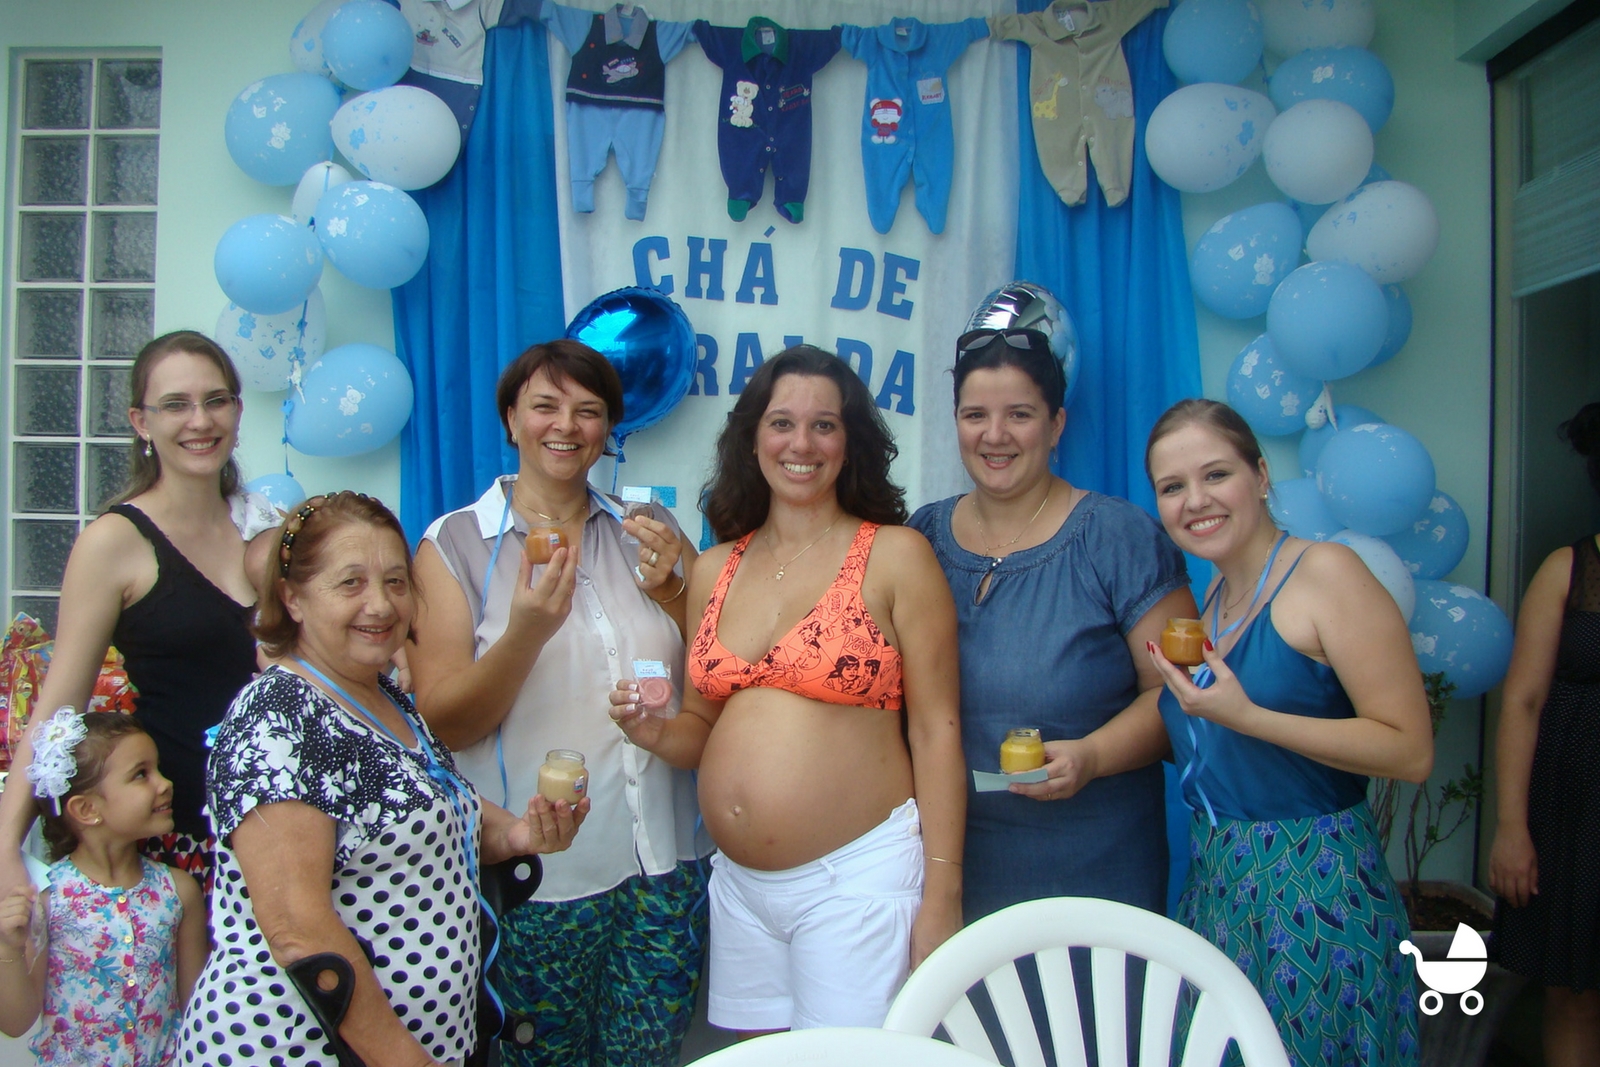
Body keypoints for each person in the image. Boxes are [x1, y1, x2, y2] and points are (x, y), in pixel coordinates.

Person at [609, 345, 967, 1034]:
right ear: (753, 438)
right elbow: (701, 729)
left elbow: (937, 731)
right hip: (741, 889)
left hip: (855, 880)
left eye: (824, 425)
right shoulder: (714, 568)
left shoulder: (896, 555)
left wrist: (943, 893)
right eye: (782, 423)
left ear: (849, 443)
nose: (801, 444)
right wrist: (653, 732)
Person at [174, 491, 585, 1066]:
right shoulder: (278, 715)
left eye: (395, 582)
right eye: (351, 583)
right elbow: (298, 929)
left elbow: (438, 814)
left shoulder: (383, 698)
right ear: (292, 599)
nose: (381, 604)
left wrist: (522, 834)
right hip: (298, 1049)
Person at [407, 340, 706, 1067]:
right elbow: (444, 721)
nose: (566, 425)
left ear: (608, 429)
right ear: (512, 419)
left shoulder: (649, 530)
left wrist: (675, 587)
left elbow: (712, 661)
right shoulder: (455, 544)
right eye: (544, 406)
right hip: (540, 878)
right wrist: (527, 631)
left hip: (665, 867)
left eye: (588, 410)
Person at [1144, 398, 1432, 1067]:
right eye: (1172, 486)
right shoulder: (1211, 604)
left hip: (1318, 895)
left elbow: (1411, 749)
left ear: (1262, 474)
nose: (1196, 500)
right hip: (1218, 894)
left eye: (1216, 474)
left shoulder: (1327, 572)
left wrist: (1252, 718)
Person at [908, 327, 1195, 921]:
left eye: (1019, 414)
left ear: (1057, 424)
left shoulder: (1116, 537)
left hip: (1091, 871)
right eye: (975, 415)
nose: (995, 435)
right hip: (945, 870)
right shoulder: (920, 539)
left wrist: (1093, 756)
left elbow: (1181, 696)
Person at [0, 330, 280, 900]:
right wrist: (5, 848)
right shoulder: (113, 542)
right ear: (141, 422)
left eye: (215, 400)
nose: (199, 420)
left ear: (236, 410)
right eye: (176, 404)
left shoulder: (266, 527)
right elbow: (59, 709)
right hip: (180, 848)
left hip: (284, 830)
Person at [1490, 400, 1600, 1067]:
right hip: (1575, 816)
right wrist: (1511, 827)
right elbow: (1523, 702)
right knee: (1573, 993)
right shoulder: (1569, 568)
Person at [0, 710, 206, 1064]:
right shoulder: (47, 897)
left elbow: (196, 1011)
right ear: (86, 809)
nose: (165, 783)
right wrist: (8, 949)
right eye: (141, 774)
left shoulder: (178, 891)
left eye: (158, 769)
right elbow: (16, 1022)